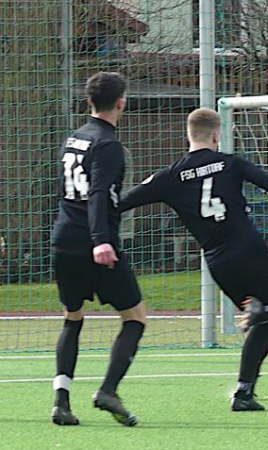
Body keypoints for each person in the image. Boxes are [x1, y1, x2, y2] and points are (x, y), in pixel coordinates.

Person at [118, 107, 268, 412]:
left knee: (264, 321)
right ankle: (264, 312)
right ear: (218, 135)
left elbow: (123, 202)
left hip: (219, 263)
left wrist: (91, 219)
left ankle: (244, 392)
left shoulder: (169, 176)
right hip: (250, 251)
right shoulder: (231, 164)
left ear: (188, 135)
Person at [51, 72, 144, 426]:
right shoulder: (108, 144)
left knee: (72, 318)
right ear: (121, 102)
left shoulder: (74, 138)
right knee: (135, 317)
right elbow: (99, 194)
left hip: (64, 238)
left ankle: (61, 401)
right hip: (95, 242)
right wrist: (101, 240)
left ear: (90, 101)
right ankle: (108, 390)